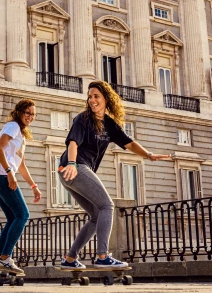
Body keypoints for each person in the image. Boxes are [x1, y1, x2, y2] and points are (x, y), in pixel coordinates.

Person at [58, 81, 171, 269]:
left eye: (96, 96)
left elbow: (128, 143)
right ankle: (102, 256)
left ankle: (70, 259)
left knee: (96, 215)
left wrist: (148, 155)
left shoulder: (109, 124)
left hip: (71, 171)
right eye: (90, 96)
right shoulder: (83, 118)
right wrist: (71, 163)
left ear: (106, 99)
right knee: (107, 206)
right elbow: (72, 142)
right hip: (74, 167)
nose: (92, 100)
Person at [0, 99, 42, 273]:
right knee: (23, 214)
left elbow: (21, 164)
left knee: (13, 218)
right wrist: (9, 172)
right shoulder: (13, 126)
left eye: (33, 114)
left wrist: (33, 185)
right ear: (19, 112)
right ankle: (5, 258)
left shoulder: (21, 134)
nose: (30, 117)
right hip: (1, 176)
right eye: (27, 113)